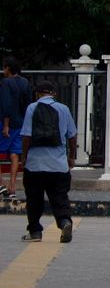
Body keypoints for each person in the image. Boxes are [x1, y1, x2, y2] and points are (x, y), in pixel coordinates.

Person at [18, 82, 76, 243]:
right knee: (60, 197)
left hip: (35, 164)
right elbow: (72, 136)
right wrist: (71, 157)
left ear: (37, 94)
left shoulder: (32, 108)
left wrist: (24, 157)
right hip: (58, 164)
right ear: (53, 94)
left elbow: (27, 136)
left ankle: (35, 232)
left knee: (34, 199)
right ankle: (64, 222)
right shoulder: (63, 109)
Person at [0, 59, 29, 200]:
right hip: (21, 122)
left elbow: (6, 105)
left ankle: (1, 185)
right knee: (15, 154)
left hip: (8, 123)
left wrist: (6, 124)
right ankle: (12, 187)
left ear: (8, 69)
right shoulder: (25, 82)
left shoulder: (6, 83)